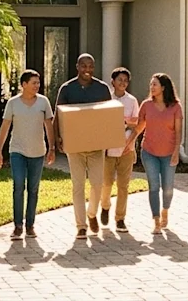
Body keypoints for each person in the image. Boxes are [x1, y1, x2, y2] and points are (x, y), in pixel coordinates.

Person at [54, 53, 113, 240]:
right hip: (75, 146)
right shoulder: (67, 89)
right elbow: (59, 114)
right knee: (78, 186)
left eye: (90, 66)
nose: (87, 70)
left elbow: (109, 115)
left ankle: (91, 213)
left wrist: (110, 138)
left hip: (97, 146)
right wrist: (56, 139)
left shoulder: (102, 88)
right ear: (77, 67)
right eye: (84, 66)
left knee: (97, 184)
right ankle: (81, 226)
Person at [0, 69, 55, 240]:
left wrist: (52, 148)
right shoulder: (13, 103)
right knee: (18, 186)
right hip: (17, 151)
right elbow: (5, 127)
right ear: (24, 85)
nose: (37, 85)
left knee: (33, 189)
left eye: (38, 82)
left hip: (37, 152)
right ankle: (17, 226)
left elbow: (49, 126)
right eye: (34, 82)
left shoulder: (43, 102)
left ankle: (30, 225)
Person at [129, 73, 183, 235]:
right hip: (149, 152)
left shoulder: (175, 107)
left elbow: (178, 132)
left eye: (155, 84)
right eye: (151, 84)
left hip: (168, 153)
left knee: (168, 188)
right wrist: (130, 142)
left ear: (163, 88)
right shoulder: (146, 105)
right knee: (153, 186)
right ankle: (156, 221)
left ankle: (165, 209)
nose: (151, 87)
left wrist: (176, 151)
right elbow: (139, 127)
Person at [100, 67, 140, 234]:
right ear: (113, 82)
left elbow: (136, 123)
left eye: (125, 80)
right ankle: (105, 206)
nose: (122, 83)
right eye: (120, 80)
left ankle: (120, 218)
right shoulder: (106, 99)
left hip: (127, 148)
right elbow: (103, 121)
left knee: (123, 185)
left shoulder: (132, 101)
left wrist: (130, 142)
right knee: (106, 183)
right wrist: (124, 121)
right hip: (108, 149)